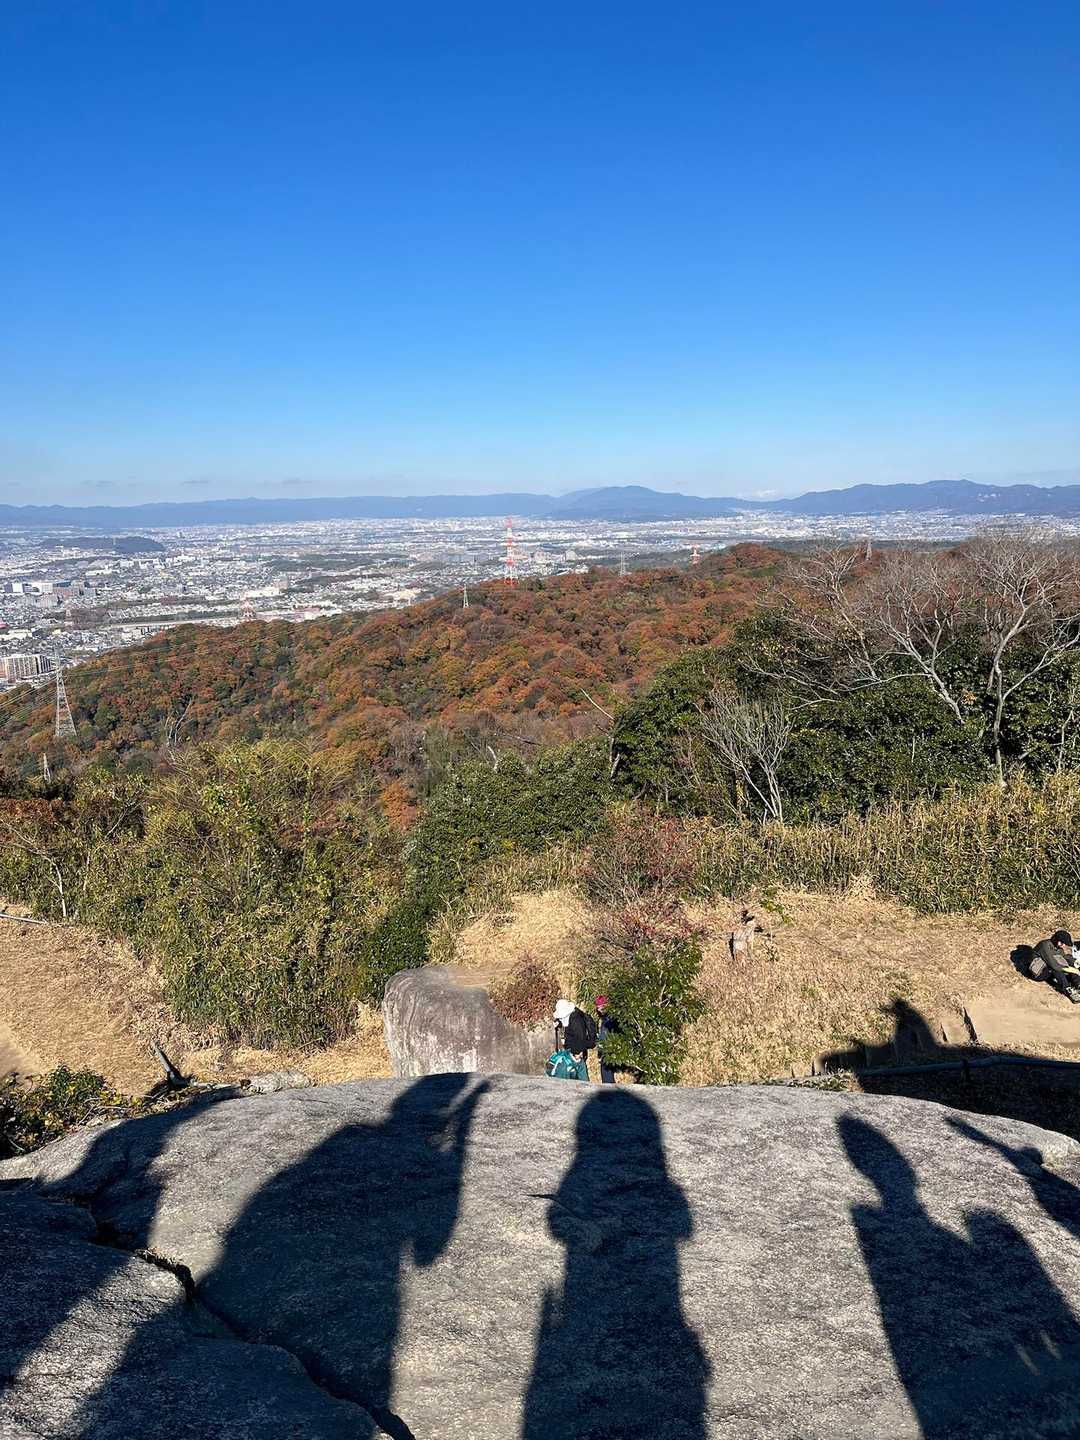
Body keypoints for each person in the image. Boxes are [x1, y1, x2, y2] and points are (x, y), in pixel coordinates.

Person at [1029, 929, 1080, 1002]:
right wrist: (1073, 970)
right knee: (1056, 969)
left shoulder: (1057, 947)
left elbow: (1064, 957)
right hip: (1038, 973)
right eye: (1063, 943)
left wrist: (1076, 962)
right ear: (1058, 941)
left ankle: (1078, 984)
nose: (1064, 945)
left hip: (1047, 970)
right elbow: (1054, 965)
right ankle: (1068, 990)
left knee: (1070, 962)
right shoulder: (1044, 946)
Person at [553, 998, 596, 1080]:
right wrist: (559, 1024)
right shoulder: (571, 1015)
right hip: (572, 1051)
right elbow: (567, 1025)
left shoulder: (576, 1020)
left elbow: (580, 1038)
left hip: (577, 1053)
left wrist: (577, 1053)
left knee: (580, 1076)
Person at [595, 995, 618, 1085]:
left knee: (606, 1075)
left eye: (601, 1007)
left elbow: (606, 1035)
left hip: (608, 1050)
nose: (599, 1009)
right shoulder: (606, 1018)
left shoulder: (609, 1019)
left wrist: (602, 1050)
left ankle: (609, 1090)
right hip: (608, 1049)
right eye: (598, 1008)